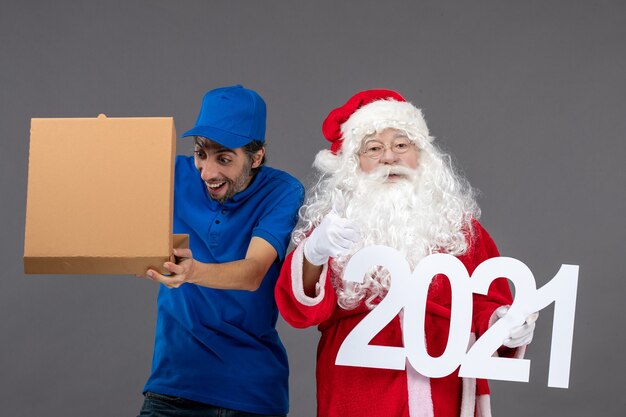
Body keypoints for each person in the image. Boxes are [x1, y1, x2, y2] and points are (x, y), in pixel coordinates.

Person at [274, 89, 537, 417]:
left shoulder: (460, 228)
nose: (389, 157)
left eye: (401, 145)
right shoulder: (334, 226)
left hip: (444, 388)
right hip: (358, 390)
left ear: (421, 156)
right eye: (373, 148)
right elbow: (301, 312)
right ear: (354, 164)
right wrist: (315, 251)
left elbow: (488, 301)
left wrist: (506, 324)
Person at [138, 85, 304, 417]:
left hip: (250, 394)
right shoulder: (172, 175)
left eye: (224, 159)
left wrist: (192, 272)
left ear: (256, 157)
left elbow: (254, 271)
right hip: (173, 384)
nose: (208, 172)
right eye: (201, 154)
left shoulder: (282, 191)